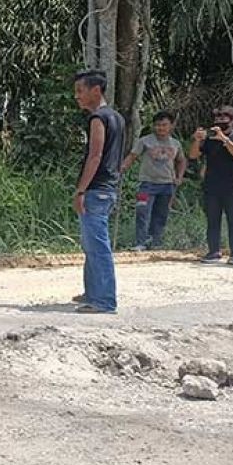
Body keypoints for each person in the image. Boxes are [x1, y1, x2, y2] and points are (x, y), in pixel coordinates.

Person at [71, 70, 125, 314]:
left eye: (80, 91)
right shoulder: (117, 118)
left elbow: (95, 155)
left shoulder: (97, 119)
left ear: (96, 90)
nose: (77, 97)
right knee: (92, 244)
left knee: (98, 246)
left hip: (96, 189)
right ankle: (93, 292)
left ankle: (103, 300)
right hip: (109, 188)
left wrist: (81, 190)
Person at [188, 105, 233, 265]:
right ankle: (213, 251)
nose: (220, 121)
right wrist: (197, 139)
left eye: (224, 118)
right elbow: (193, 155)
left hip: (232, 189)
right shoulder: (209, 139)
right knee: (212, 221)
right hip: (211, 187)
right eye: (217, 118)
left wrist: (224, 139)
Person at [121, 110, 187, 250]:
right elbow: (132, 156)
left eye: (164, 125)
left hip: (167, 185)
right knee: (142, 211)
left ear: (171, 126)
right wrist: (122, 169)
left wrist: (179, 177)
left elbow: (181, 160)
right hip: (146, 184)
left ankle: (155, 242)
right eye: (157, 125)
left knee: (161, 214)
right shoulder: (145, 141)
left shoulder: (175, 144)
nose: (161, 128)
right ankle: (140, 242)